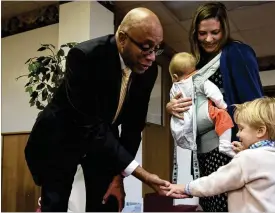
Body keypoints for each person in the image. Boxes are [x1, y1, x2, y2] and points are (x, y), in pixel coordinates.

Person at [25, 7, 185, 212]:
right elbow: (89, 124)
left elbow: (133, 126)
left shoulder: (148, 71)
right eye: (146, 47)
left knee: (108, 201)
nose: (152, 57)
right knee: (54, 204)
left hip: (101, 140)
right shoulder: (85, 56)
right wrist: (142, 174)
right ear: (122, 38)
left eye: (156, 48)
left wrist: (119, 177)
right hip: (63, 136)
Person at [166, 2, 264, 212]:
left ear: (224, 29)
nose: (209, 39)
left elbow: (256, 105)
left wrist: (253, 146)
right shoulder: (195, 65)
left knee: (226, 206)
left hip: (229, 149)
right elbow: (188, 98)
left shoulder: (237, 52)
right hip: (202, 151)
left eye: (215, 32)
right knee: (209, 202)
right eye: (202, 33)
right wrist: (171, 106)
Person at [163, 97, 275, 212]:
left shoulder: (247, 158)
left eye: (241, 129)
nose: (238, 134)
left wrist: (186, 187)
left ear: (260, 131)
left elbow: (216, 182)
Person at [169, 52, 235, 158]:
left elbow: (174, 104)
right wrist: (223, 106)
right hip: (203, 115)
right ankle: (225, 145)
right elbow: (214, 94)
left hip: (186, 123)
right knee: (223, 116)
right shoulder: (199, 80)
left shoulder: (174, 88)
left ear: (175, 76)